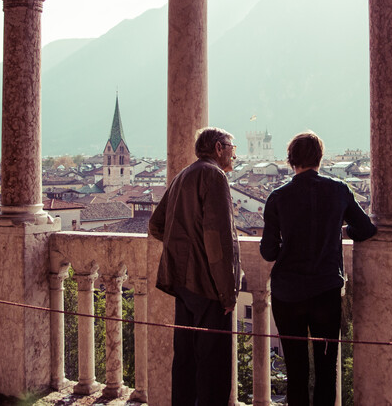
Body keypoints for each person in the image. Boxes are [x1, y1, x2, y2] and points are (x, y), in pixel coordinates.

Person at [259, 131, 377, 406]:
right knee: (326, 368)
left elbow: (268, 252)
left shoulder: (278, 197)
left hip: (287, 294)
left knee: (296, 368)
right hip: (325, 290)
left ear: (291, 161)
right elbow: (366, 228)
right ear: (320, 159)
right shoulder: (338, 190)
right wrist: (340, 230)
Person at [149, 127, 242, 406]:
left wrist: (183, 245)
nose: (235, 153)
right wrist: (227, 293)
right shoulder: (214, 175)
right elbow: (218, 238)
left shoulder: (183, 175)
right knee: (213, 366)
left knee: (186, 359)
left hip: (183, 283)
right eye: (232, 147)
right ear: (217, 148)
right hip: (208, 286)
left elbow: (156, 225)